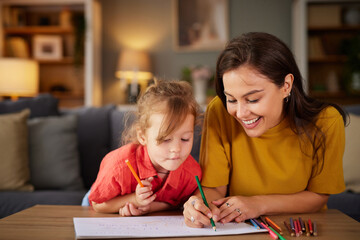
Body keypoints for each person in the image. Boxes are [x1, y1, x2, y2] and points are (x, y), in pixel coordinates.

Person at [183, 32, 348, 228]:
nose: (241, 113)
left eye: (253, 99)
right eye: (232, 99)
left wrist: (258, 204)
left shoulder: (327, 121)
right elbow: (214, 189)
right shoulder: (219, 111)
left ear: (286, 86)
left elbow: (319, 196)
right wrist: (198, 205)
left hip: (302, 227)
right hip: (241, 227)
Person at [89, 80, 202, 216]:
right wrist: (134, 200)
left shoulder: (192, 173)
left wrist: (149, 207)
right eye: (165, 139)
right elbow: (98, 205)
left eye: (185, 139)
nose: (176, 149)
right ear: (143, 136)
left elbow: (180, 203)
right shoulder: (118, 165)